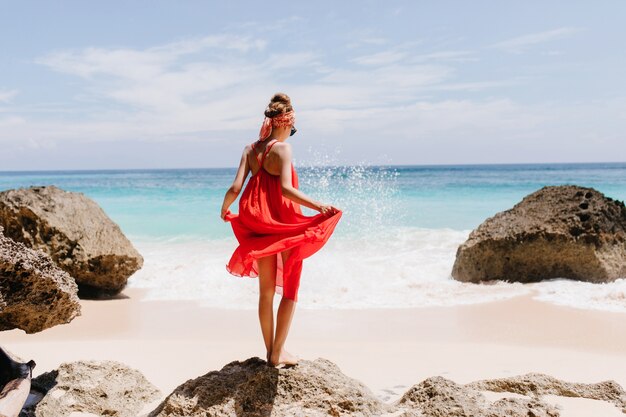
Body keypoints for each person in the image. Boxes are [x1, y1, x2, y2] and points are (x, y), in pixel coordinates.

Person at [221, 93, 342, 367]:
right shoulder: (283, 150)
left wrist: (224, 208)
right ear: (285, 122)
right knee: (289, 290)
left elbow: (235, 187)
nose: (292, 133)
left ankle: (270, 353)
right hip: (285, 225)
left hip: (259, 225)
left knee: (265, 293)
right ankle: (279, 352)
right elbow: (287, 189)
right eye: (293, 128)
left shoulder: (249, 150)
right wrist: (319, 205)